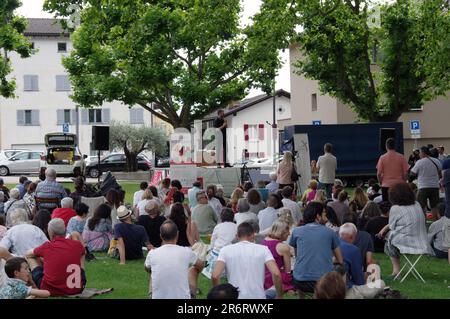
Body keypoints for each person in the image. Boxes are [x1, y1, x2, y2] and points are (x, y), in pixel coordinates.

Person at [212, 222, 283, 299]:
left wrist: (219, 295)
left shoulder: (225, 250)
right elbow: (276, 273)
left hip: (235, 296)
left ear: (236, 236)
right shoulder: (263, 249)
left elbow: (215, 275)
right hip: (258, 297)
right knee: (272, 291)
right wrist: (279, 296)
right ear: (253, 235)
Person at [289, 202, 343, 296]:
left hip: (299, 280)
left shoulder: (296, 231)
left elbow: (298, 256)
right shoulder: (330, 232)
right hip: (322, 281)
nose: (326, 215)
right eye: (324, 213)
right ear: (318, 216)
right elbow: (340, 260)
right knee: (342, 268)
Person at [377, 183, 430, 277]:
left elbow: (393, 226)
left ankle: (396, 271)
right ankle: (397, 271)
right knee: (391, 237)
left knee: (388, 241)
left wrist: (385, 230)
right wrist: (385, 227)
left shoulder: (395, 208)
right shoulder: (417, 204)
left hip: (406, 243)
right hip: (422, 242)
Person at [25, 218, 86, 296]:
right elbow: (83, 252)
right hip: (77, 289)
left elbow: (28, 254)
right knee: (82, 253)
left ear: (50, 233)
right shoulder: (77, 245)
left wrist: (41, 258)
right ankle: (79, 277)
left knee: (31, 257)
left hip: (48, 290)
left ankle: (34, 286)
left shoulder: (47, 247)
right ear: (65, 231)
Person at [145, 220, 204, 299]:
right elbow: (200, 265)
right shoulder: (186, 251)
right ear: (177, 234)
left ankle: (152, 295)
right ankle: (193, 293)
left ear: (161, 236)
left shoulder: (152, 253)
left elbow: (146, 268)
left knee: (152, 270)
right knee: (193, 269)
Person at [202, 208, 237, 279]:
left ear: (221, 217)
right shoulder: (237, 227)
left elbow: (212, 241)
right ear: (233, 217)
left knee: (208, 258)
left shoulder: (218, 227)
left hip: (217, 255)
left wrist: (210, 251)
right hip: (231, 255)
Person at [261, 220, 294, 292]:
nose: (289, 233)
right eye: (287, 231)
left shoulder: (264, 241)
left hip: (262, 276)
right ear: (281, 232)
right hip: (274, 278)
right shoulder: (283, 247)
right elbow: (287, 270)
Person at [410, 146, 443, 213]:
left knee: (421, 207)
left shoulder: (419, 162)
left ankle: (423, 222)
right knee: (434, 207)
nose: (419, 154)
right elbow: (440, 174)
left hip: (423, 187)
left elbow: (412, 173)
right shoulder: (436, 161)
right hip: (435, 187)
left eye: (420, 153)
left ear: (423, 153)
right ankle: (435, 222)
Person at [338, 223, 365, 288]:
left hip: (319, 286)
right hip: (340, 289)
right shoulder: (353, 250)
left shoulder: (328, 244)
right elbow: (358, 281)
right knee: (380, 284)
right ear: (352, 236)